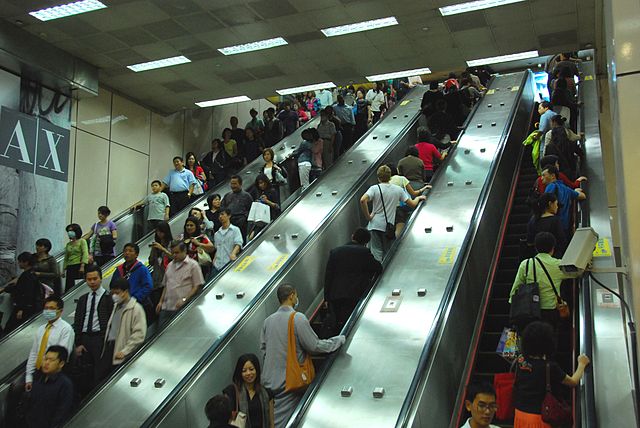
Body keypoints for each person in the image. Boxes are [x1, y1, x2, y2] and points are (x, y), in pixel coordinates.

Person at [260, 284, 345, 428]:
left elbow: (264, 350)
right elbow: (314, 346)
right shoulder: (297, 318)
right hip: (290, 382)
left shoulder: (267, 321)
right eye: (296, 295)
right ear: (292, 295)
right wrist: (337, 341)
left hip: (269, 383)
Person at [513, 321, 590, 427]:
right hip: (539, 419)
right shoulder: (549, 366)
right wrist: (582, 364)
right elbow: (573, 382)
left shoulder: (521, 361)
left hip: (520, 414)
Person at [509, 232, 580, 329]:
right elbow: (577, 272)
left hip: (529, 311)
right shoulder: (558, 265)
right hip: (550, 313)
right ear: (553, 248)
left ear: (536, 247)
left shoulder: (525, 264)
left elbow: (514, 291)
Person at [360, 165, 426, 261]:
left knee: (376, 252)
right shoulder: (397, 189)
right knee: (388, 253)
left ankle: (377, 274)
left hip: (374, 225)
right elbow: (412, 204)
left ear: (378, 177)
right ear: (390, 176)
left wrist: (368, 217)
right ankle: (386, 273)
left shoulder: (374, 188)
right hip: (388, 227)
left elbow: (363, 200)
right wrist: (418, 198)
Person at [324, 228, 382, 330]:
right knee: (351, 323)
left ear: (352, 236)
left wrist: (326, 298)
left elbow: (328, 276)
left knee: (337, 322)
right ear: (366, 242)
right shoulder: (364, 252)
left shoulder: (335, 252)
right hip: (355, 295)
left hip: (336, 295)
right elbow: (378, 268)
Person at [73, 265, 113, 392]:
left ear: (101, 279)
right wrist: (78, 343)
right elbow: (78, 321)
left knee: (101, 372)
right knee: (85, 373)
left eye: (95, 278)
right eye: (89, 279)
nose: (92, 282)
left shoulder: (109, 298)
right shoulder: (83, 299)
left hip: (100, 339)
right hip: (85, 339)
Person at [25, 296, 74, 389]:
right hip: (38, 371)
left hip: (54, 374)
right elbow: (34, 353)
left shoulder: (66, 329)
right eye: (46, 308)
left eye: (52, 308)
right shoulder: (41, 329)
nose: (48, 311)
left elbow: (62, 355)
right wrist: (29, 376)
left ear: (60, 311)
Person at [156, 241, 205, 327]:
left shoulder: (193, 265)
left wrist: (184, 299)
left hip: (182, 308)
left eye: (177, 253)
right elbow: (166, 285)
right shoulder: (170, 265)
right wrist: (160, 301)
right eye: (173, 253)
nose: (174, 255)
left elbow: (197, 285)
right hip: (166, 307)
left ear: (184, 251)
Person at [102, 278, 147, 369]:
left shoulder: (136, 309)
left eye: (117, 293)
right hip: (110, 347)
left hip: (123, 352)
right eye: (113, 293)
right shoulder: (116, 306)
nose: (114, 296)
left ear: (126, 292)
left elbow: (139, 335)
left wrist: (125, 351)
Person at [25, 345, 74, 428]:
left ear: (61, 364)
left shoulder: (65, 385)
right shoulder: (38, 379)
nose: (46, 363)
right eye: (45, 359)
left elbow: (62, 414)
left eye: (51, 360)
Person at [223, 354, 274, 428]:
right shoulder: (231, 392)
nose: (248, 373)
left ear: (257, 370)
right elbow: (225, 419)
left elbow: (271, 422)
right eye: (244, 371)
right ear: (239, 373)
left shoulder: (266, 393)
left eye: (251, 369)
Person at [1, 252, 44, 332]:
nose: (19, 264)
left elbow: (27, 293)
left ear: (26, 262)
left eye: (20, 262)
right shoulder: (30, 274)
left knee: (10, 328)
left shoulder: (27, 276)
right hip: (27, 306)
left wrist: (21, 309)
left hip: (25, 307)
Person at [110, 243, 153, 318]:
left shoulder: (142, 269)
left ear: (136, 254)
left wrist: (133, 299)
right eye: (125, 251)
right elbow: (112, 286)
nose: (127, 253)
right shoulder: (119, 270)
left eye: (130, 251)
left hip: (138, 306)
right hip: (121, 306)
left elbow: (148, 286)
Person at [541, 165, 586, 233]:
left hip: (552, 227)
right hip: (564, 226)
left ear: (553, 176)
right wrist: (575, 191)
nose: (541, 178)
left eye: (544, 175)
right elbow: (583, 196)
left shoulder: (550, 187)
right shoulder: (564, 188)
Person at [389, 164, 431, 236]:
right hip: (402, 206)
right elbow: (413, 193)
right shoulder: (402, 179)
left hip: (390, 208)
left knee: (396, 224)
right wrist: (423, 189)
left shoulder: (384, 183)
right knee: (403, 222)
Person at [526, 193, 567, 258]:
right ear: (550, 204)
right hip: (554, 257)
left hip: (537, 258)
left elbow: (529, 242)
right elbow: (562, 241)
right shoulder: (555, 220)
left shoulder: (533, 220)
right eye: (556, 204)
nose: (557, 207)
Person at [212, 209, 243, 277]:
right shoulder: (217, 234)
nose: (220, 216)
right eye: (219, 215)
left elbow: (238, 243)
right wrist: (214, 260)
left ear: (229, 216)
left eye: (222, 214)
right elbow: (217, 248)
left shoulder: (235, 230)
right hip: (217, 265)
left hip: (229, 263)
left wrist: (233, 253)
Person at [221, 175, 254, 240]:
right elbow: (222, 208)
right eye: (231, 184)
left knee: (240, 241)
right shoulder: (227, 195)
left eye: (235, 184)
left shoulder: (247, 196)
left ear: (240, 184)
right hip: (229, 222)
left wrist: (244, 218)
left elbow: (251, 210)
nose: (233, 186)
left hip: (241, 223)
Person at [248, 175, 280, 239]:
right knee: (251, 237)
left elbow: (277, 206)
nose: (260, 185)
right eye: (259, 183)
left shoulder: (272, 191)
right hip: (260, 219)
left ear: (266, 182)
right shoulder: (258, 192)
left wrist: (267, 201)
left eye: (262, 183)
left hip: (270, 218)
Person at [62, 223, 88, 293]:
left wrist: (82, 265)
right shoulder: (68, 244)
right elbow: (66, 257)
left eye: (71, 231)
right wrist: (63, 269)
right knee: (69, 285)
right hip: (70, 267)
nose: (69, 233)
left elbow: (85, 253)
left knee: (77, 284)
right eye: (68, 231)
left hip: (78, 266)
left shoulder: (82, 241)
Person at [149, 221, 173, 288]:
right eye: (157, 231)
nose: (159, 234)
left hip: (169, 277)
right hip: (157, 277)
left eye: (161, 232)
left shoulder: (172, 244)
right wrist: (153, 250)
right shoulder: (156, 244)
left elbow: (174, 257)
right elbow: (151, 261)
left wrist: (162, 249)